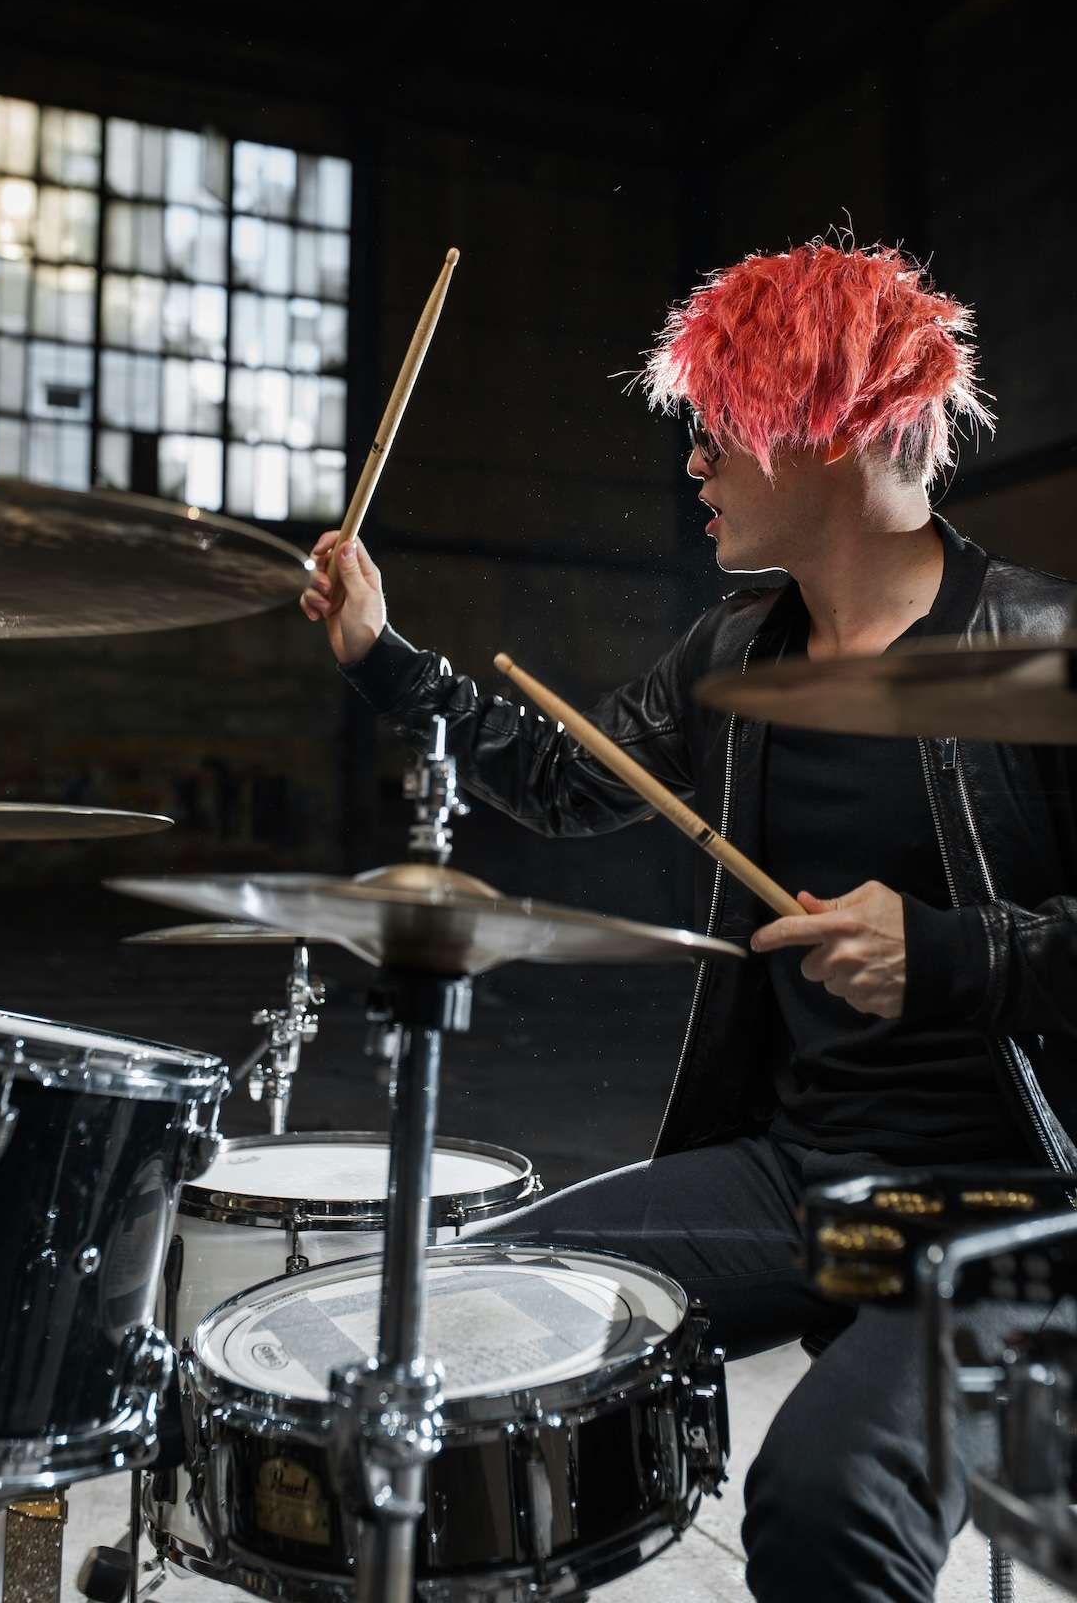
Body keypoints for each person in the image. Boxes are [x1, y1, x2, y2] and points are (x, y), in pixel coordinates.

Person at [301, 241, 1077, 1602]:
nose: (696, 459)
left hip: (1021, 1215)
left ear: (830, 429)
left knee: (829, 1500)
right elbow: (564, 778)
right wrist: (384, 658)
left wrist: (956, 954)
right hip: (801, 1180)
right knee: (464, 1313)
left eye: (723, 423)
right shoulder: (733, 649)